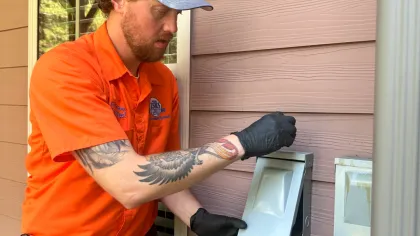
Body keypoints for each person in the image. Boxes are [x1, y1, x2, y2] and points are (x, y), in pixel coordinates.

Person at [21, 0, 297, 235]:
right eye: (160, 10)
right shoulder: (66, 69)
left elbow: (160, 167)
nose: (173, 27)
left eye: (178, 14)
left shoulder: (162, 80)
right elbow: (127, 182)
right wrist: (240, 143)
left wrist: (196, 217)